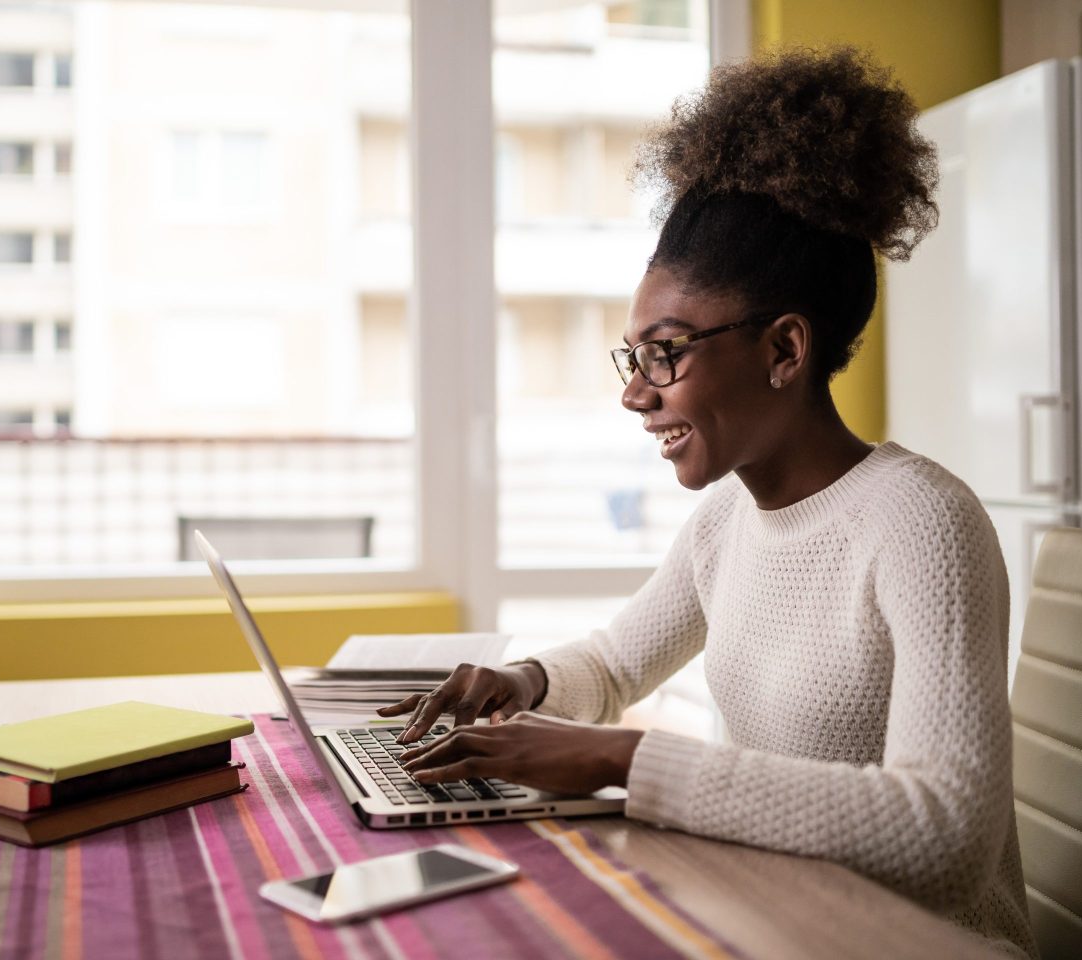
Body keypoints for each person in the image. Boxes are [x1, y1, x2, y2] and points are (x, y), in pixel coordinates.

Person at [379, 47, 1038, 959]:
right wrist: (524, 684)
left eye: (668, 352)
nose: (635, 393)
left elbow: (945, 832)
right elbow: (614, 665)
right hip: (781, 922)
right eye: (633, 356)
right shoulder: (728, 523)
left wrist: (621, 760)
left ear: (784, 349)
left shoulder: (921, 523)